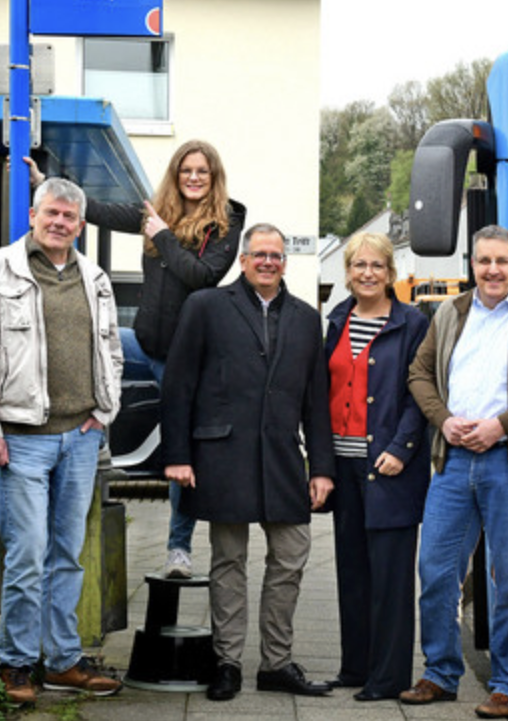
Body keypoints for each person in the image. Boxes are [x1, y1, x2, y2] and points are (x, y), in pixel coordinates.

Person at [27, 141, 245, 577]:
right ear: (176, 173)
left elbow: (202, 276)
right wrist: (46, 189)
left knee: (180, 450)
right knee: (90, 341)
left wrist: (162, 236)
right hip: (145, 341)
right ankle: (95, 439)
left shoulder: (226, 222)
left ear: (214, 175)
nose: (194, 178)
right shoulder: (155, 210)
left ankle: (178, 550)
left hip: (185, 357)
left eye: (202, 171)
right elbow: (99, 211)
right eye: (187, 170)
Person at [0, 178, 124, 705]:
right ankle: (15, 663)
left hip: (79, 439)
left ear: (80, 224)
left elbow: (112, 350)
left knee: (68, 555)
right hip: (22, 439)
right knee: (28, 554)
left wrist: (104, 411)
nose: (60, 223)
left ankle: (62, 661)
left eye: (69, 217)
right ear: (34, 215)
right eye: (52, 213)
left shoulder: (94, 276)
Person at [401, 224, 508, 719]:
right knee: (435, 570)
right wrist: (444, 419)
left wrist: (501, 425)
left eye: (502, 261)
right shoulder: (450, 313)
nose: (492, 270)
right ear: (472, 265)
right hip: (453, 463)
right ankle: (440, 673)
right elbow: (418, 373)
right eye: (483, 261)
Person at [159, 223, 336, 701]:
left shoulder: (304, 318)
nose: (268, 262)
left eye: (276, 256)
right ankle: (228, 662)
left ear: (285, 262)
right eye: (259, 254)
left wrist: (321, 467)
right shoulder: (206, 307)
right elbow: (178, 385)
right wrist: (177, 455)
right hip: (222, 456)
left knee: (292, 556)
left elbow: (316, 401)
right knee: (228, 561)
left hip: (282, 460)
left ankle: (276, 663)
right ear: (242, 260)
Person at [322, 232, 432, 701]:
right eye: (358, 265)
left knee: (390, 577)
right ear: (347, 272)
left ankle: (387, 678)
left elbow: (420, 392)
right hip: (344, 468)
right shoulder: (337, 319)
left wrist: (401, 449)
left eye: (377, 266)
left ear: (391, 273)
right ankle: (356, 667)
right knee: (352, 571)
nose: (367, 273)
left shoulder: (412, 323)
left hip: (389, 466)